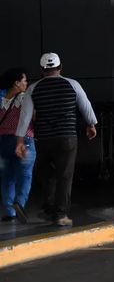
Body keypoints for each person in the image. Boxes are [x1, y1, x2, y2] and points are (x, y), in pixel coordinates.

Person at [15, 53, 97, 226]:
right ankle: (60, 215)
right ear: (60, 68)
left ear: (42, 69)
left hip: (44, 139)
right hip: (67, 138)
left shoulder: (33, 89)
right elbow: (86, 107)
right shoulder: (72, 84)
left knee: (47, 176)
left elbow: (25, 116)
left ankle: (49, 209)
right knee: (65, 176)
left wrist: (20, 140)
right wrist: (91, 124)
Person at [0, 68, 35, 223]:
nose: (26, 84)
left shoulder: (1, 99)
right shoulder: (25, 98)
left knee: (7, 177)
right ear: (17, 83)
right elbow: (33, 117)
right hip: (23, 140)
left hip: (3, 142)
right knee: (25, 174)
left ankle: (9, 212)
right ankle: (19, 202)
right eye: (24, 81)